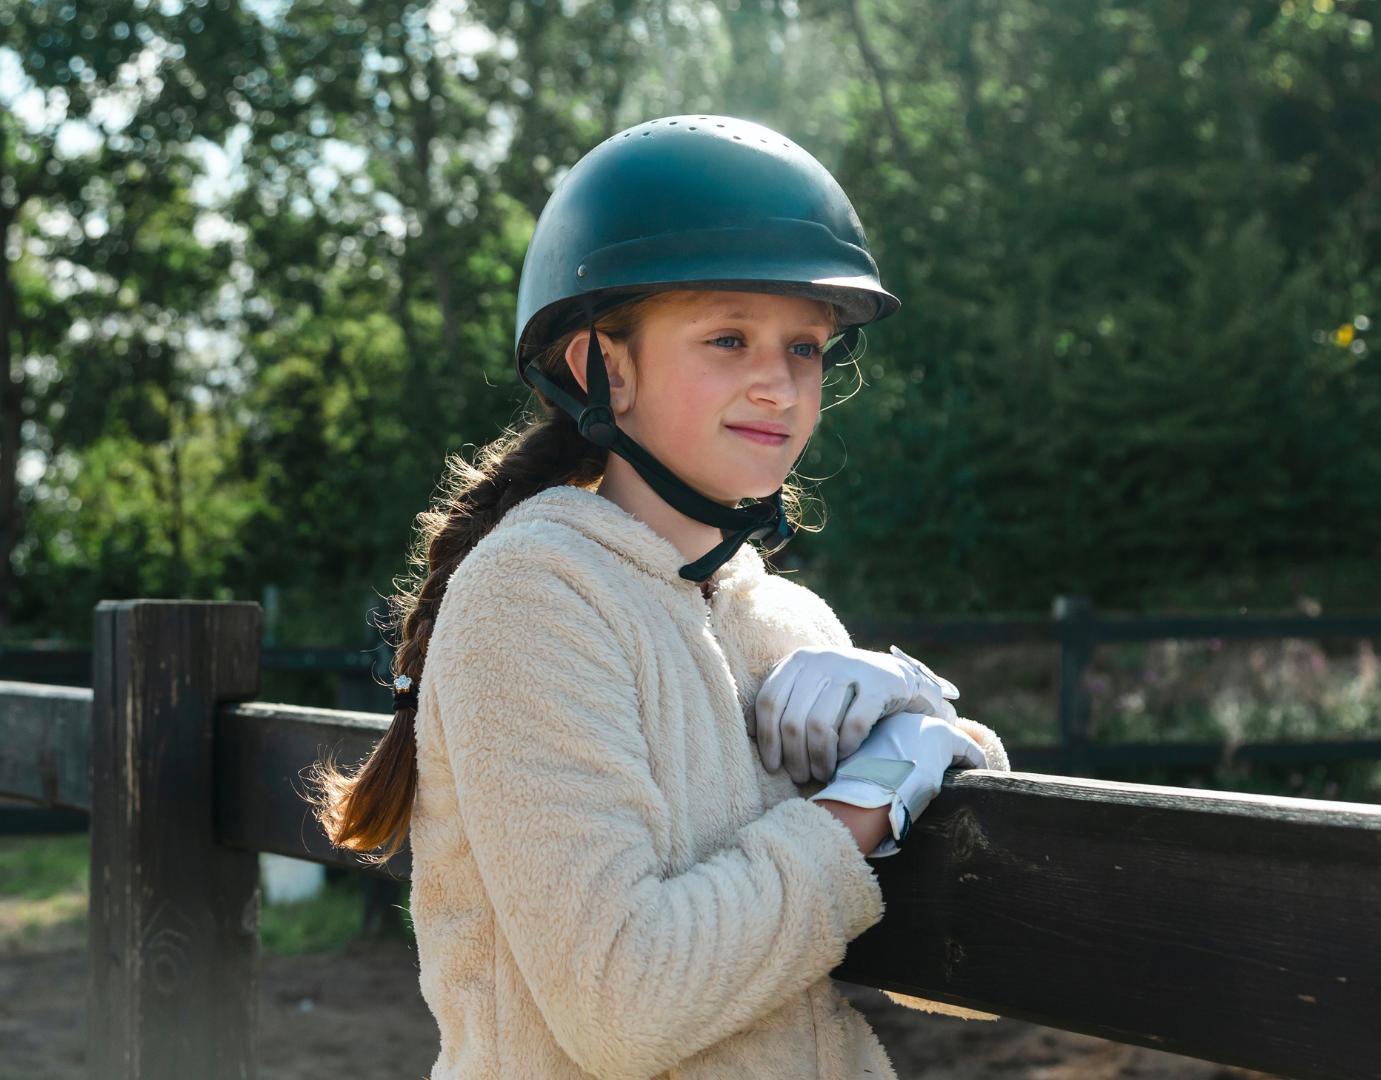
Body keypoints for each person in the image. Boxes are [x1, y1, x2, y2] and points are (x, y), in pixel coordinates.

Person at [315, 114, 1011, 1080]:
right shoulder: (529, 600)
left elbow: (962, 980)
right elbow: (626, 1006)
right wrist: (867, 802)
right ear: (602, 365)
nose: (779, 385)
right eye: (729, 337)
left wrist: (945, 743)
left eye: (806, 348)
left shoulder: (789, 623)